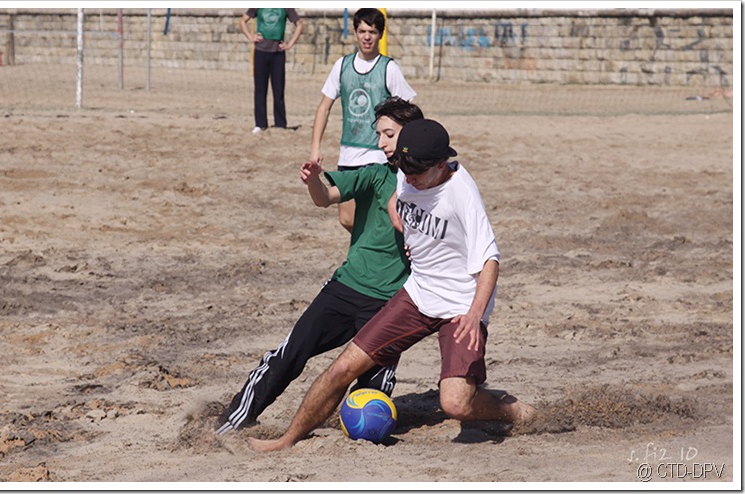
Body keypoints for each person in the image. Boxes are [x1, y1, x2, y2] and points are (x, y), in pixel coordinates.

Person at [247, 119, 536, 452]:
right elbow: (397, 199)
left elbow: (490, 262)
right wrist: (409, 230)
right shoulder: (407, 170)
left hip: (461, 304)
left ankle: (512, 409)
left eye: (416, 172)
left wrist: (474, 315)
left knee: (456, 404)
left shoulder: (461, 193)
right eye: (404, 167)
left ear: (441, 165)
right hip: (418, 291)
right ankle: (287, 440)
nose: (408, 176)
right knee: (342, 368)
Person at [215, 97, 425, 434]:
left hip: (390, 302)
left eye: (389, 134)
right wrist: (313, 179)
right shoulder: (374, 176)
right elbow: (325, 198)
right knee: (290, 354)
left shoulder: (431, 187)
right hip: (346, 288)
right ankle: (233, 421)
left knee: (375, 383)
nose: (382, 143)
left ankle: (360, 434)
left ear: (412, 136)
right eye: (379, 135)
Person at [310, 8, 416, 234]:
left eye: (373, 32)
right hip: (349, 154)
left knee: (381, 217)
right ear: (355, 32)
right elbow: (324, 107)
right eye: (362, 31)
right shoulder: (342, 66)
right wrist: (315, 147)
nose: (367, 37)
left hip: (379, 156)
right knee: (347, 219)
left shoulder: (389, 68)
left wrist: (405, 149)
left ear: (380, 35)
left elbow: (410, 113)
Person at [240, 8, 304, 134]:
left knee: (278, 89)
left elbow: (300, 25)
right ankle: (260, 123)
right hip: (261, 52)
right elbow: (242, 21)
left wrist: (289, 44)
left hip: (278, 53)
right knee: (260, 89)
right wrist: (250, 37)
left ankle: (280, 123)